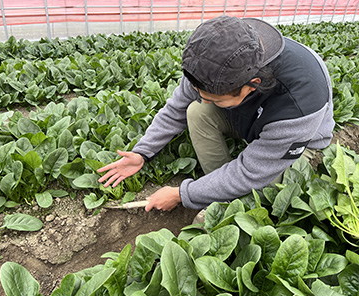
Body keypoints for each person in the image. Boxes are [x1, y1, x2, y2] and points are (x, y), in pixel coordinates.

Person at [97, 15, 335, 213]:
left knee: (266, 191)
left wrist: (183, 194)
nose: (203, 98)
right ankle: (221, 195)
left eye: (214, 99)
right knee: (197, 111)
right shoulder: (214, 62)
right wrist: (142, 153)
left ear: (252, 85)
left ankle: (225, 200)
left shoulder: (300, 101)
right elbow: (176, 109)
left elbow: (249, 173)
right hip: (250, 118)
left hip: (299, 146)